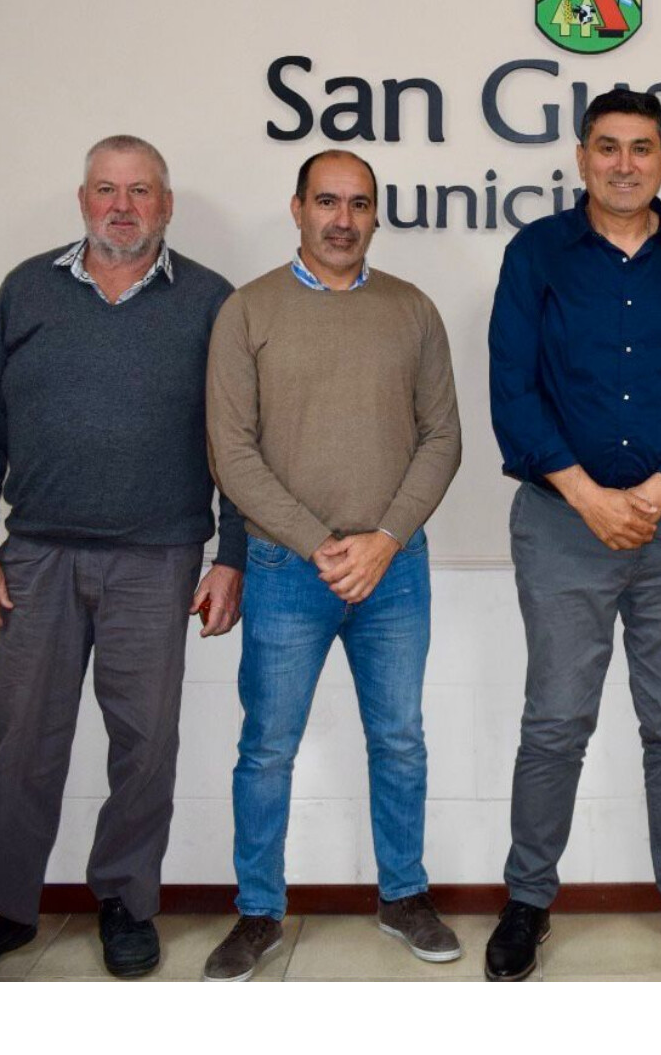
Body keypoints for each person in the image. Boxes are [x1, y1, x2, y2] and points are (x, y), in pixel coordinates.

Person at [0, 135, 244, 980]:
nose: (122, 206)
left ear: (166, 205)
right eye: (107, 189)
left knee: (145, 747)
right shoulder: (26, 290)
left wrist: (232, 556)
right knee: (22, 744)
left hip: (159, 559)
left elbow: (239, 441)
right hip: (36, 558)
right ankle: (2, 909)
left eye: (141, 191)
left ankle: (126, 903)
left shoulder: (211, 302)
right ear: (83, 201)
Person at [483, 88, 661, 981]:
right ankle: (527, 902)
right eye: (608, 146)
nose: (624, 164)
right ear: (581, 157)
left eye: (641, 147)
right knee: (556, 721)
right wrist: (588, 495)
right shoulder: (536, 254)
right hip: (563, 524)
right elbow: (513, 386)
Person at [201, 150, 462, 981]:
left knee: (400, 742)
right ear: (297, 208)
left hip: (396, 571)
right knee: (266, 749)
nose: (342, 220)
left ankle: (404, 896)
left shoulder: (412, 310)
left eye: (358, 204)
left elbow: (443, 438)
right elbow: (231, 453)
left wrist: (384, 538)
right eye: (326, 202)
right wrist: (318, 542)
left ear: (375, 214)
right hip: (286, 570)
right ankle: (257, 911)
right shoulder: (248, 311)